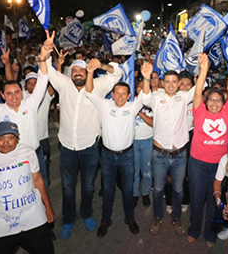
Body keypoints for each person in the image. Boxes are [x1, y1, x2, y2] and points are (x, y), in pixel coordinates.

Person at [47, 37, 123, 239]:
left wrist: (102, 65)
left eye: (81, 70)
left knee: (88, 186)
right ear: (70, 74)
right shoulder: (63, 85)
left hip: (90, 147)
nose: (78, 73)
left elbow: (118, 73)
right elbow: (46, 70)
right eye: (74, 71)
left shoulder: (98, 85)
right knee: (67, 187)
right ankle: (69, 220)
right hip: (67, 148)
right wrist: (46, 51)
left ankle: (87, 214)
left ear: (87, 72)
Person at [0, 39, 54, 190]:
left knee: (42, 187)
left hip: (35, 154)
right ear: (2, 95)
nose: (14, 97)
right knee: (17, 190)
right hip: (12, 158)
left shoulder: (31, 104)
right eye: (9, 93)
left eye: (17, 92)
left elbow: (43, 79)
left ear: (22, 93)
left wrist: (43, 57)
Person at [85, 59, 151, 237]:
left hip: (127, 156)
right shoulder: (105, 105)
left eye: (124, 94)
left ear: (129, 96)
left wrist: (146, 78)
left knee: (128, 190)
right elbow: (89, 92)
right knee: (108, 190)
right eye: (117, 93)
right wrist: (90, 72)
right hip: (107, 156)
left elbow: (144, 97)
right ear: (112, 95)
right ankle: (106, 220)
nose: (120, 96)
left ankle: (129, 218)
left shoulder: (132, 107)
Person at [187, 55, 228, 247]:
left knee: (214, 200)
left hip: (219, 166)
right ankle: (194, 229)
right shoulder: (199, 111)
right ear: (206, 101)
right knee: (196, 198)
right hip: (197, 163)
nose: (214, 103)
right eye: (211, 99)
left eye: (218, 100)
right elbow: (197, 92)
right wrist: (203, 69)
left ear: (223, 102)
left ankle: (210, 233)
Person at [0, 121, 55, 254]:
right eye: (1, 138)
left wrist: (47, 206)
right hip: (1, 222)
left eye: (11, 138)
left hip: (32, 216)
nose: (6, 142)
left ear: (18, 138)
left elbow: (37, 180)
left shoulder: (28, 151)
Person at [142, 68, 195, 236]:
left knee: (179, 189)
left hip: (179, 155)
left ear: (178, 84)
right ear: (163, 84)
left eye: (174, 81)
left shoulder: (183, 98)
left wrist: (204, 69)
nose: (171, 85)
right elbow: (144, 97)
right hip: (159, 154)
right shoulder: (156, 98)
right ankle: (157, 217)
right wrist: (145, 78)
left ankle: (177, 218)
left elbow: (198, 87)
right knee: (158, 189)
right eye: (168, 82)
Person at [133, 82, 154, 207]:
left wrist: (139, 111)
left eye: (143, 86)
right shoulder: (131, 101)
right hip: (133, 141)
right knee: (134, 170)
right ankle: (134, 193)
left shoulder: (151, 102)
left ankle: (145, 192)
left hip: (147, 141)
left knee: (147, 170)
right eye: (139, 86)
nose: (141, 88)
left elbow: (153, 122)